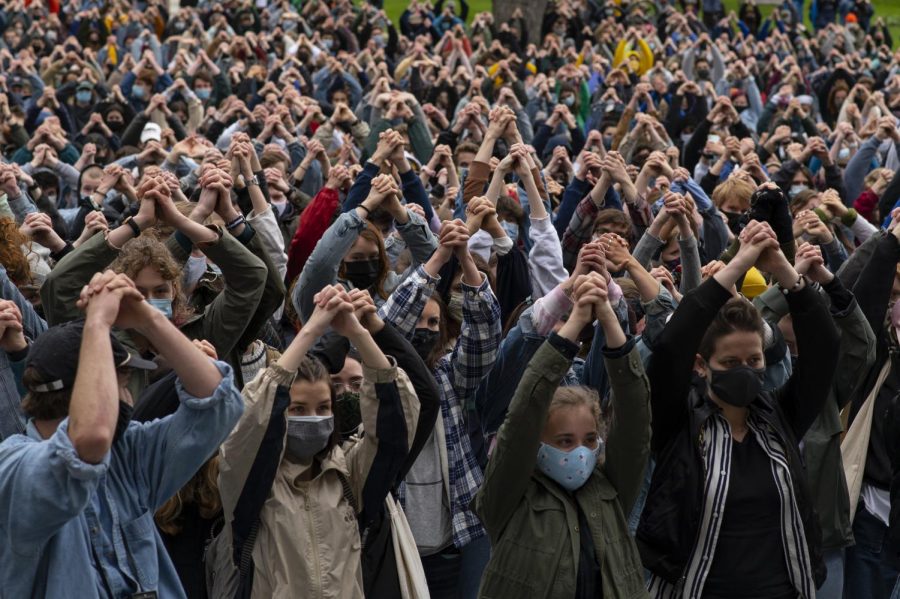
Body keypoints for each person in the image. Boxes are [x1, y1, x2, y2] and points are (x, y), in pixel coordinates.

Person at [0, 269, 244, 597]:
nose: (128, 398)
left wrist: (147, 320)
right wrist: (97, 323)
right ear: (81, 393)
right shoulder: (14, 466)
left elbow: (220, 404)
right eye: (121, 383)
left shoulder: (127, 454)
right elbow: (88, 441)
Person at [639, 219, 841, 598]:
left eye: (754, 361)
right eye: (731, 364)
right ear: (701, 365)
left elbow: (825, 349)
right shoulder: (678, 423)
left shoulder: (781, 418)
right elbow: (670, 348)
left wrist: (784, 270)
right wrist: (739, 262)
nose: (746, 372)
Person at [214, 284, 420, 597]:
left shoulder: (348, 474)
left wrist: (357, 332)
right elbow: (250, 423)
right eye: (298, 409)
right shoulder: (251, 481)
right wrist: (311, 330)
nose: (313, 417)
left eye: (323, 408)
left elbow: (397, 423)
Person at [475, 271, 650, 598]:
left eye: (589, 440)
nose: (579, 453)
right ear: (537, 444)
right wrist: (576, 320)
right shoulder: (509, 494)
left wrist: (609, 318)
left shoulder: (610, 489)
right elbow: (524, 411)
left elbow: (636, 415)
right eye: (564, 441)